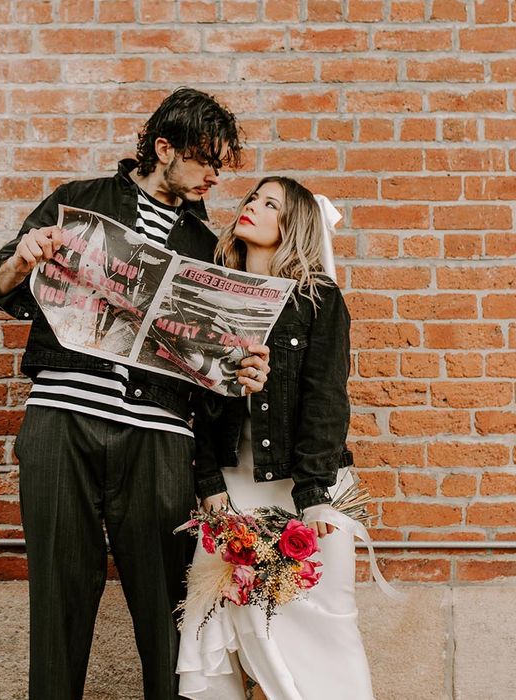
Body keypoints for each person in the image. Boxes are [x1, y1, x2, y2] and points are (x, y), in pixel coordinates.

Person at [0, 88, 270, 700]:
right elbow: (2, 283)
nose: (215, 176)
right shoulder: (79, 202)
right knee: (59, 597)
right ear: (164, 149)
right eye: (204, 161)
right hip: (63, 420)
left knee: (167, 604)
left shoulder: (206, 244)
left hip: (161, 438)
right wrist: (22, 258)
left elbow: (211, 368)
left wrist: (241, 371)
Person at [177, 176, 375, 699]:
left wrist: (312, 496)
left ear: (294, 226)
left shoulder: (319, 299)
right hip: (231, 487)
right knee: (216, 624)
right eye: (252, 198)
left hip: (307, 485)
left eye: (271, 204)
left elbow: (326, 400)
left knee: (325, 628)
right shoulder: (210, 297)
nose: (253, 208)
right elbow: (193, 402)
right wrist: (208, 484)